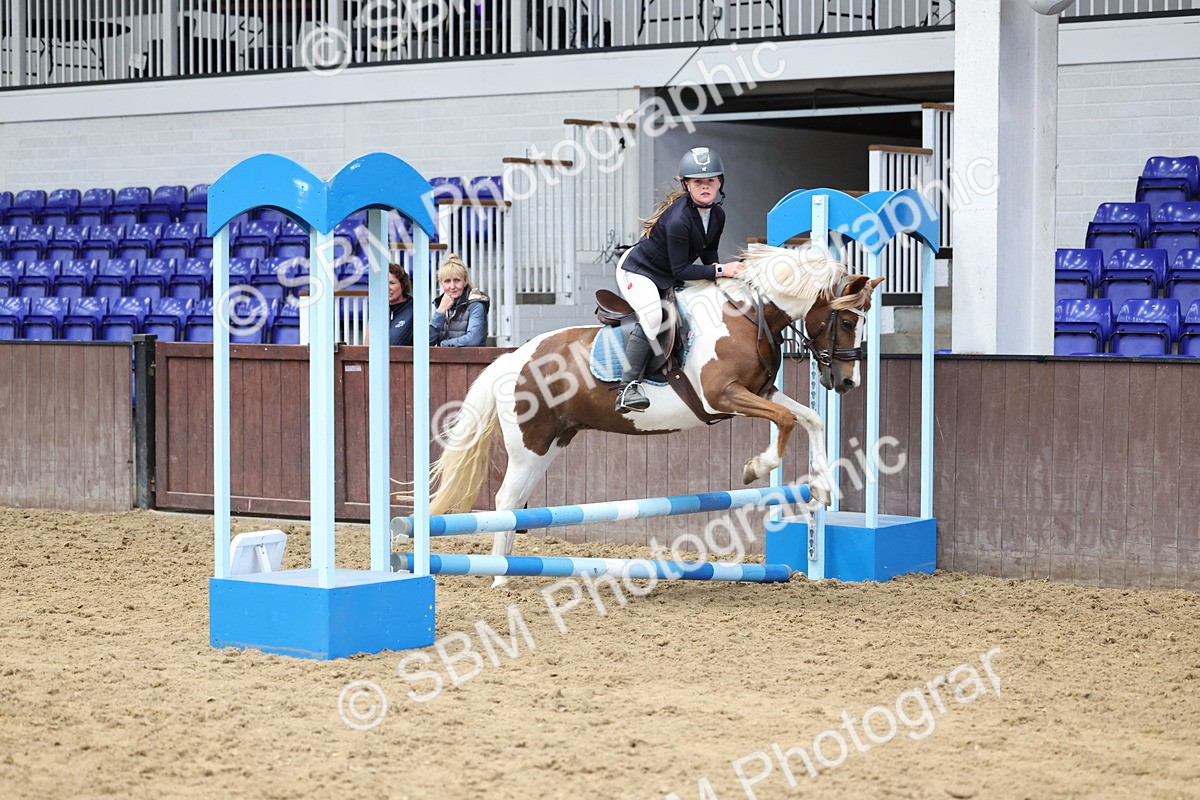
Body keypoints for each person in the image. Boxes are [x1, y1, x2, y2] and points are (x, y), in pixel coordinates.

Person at [612, 146, 745, 412]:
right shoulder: (679, 220)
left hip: (669, 272)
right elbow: (681, 271)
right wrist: (722, 271)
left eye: (710, 181)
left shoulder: (717, 214)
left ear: (720, 182)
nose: (705, 187)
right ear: (686, 184)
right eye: (698, 182)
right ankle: (626, 388)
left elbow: (709, 253)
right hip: (639, 272)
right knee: (652, 317)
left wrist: (724, 279)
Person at [430, 253, 490, 347]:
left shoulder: (476, 304)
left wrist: (444, 344)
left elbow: (473, 339)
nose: (452, 286)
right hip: (444, 360)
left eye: (457, 280)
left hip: (470, 360)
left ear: (465, 281)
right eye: (447, 281)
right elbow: (426, 342)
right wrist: (440, 312)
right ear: (441, 283)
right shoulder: (442, 305)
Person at [387, 262, 415, 346]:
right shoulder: (377, 310)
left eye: (392, 283)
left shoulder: (415, 309)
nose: (387, 288)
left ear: (403, 285)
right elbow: (367, 348)